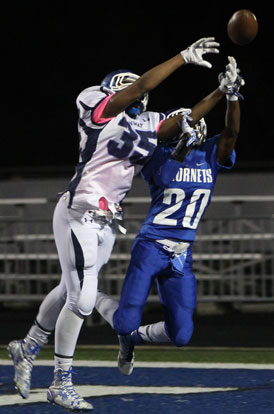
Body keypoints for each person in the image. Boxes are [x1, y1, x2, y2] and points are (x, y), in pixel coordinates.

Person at [7, 37, 220, 411]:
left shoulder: (146, 124)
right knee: (83, 298)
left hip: (107, 221)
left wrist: (221, 92)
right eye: (129, 90)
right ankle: (61, 381)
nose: (138, 97)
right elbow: (140, 86)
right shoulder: (94, 106)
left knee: (69, 288)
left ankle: (27, 347)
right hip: (78, 212)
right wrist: (183, 57)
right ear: (109, 91)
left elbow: (181, 122)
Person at [95, 56, 245, 376]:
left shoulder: (210, 154)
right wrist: (177, 144)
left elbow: (231, 131)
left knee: (182, 335)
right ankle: (96, 302)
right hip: (150, 247)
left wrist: (231, 96)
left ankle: (133, 338)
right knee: (123, 319)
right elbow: (161, 160)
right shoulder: (155, 154)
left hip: (181, 255)